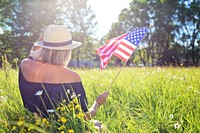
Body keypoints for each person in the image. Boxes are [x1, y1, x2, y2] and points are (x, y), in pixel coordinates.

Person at [18, 25, 109, 129]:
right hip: (63, 129)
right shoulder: (72, 77)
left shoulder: (25, 65)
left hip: (32, 127)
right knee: (99, 126)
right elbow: (84, 117)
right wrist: (97, 103)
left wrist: (44, 37)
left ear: (42, 46)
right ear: (67, 52)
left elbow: (33, 51)